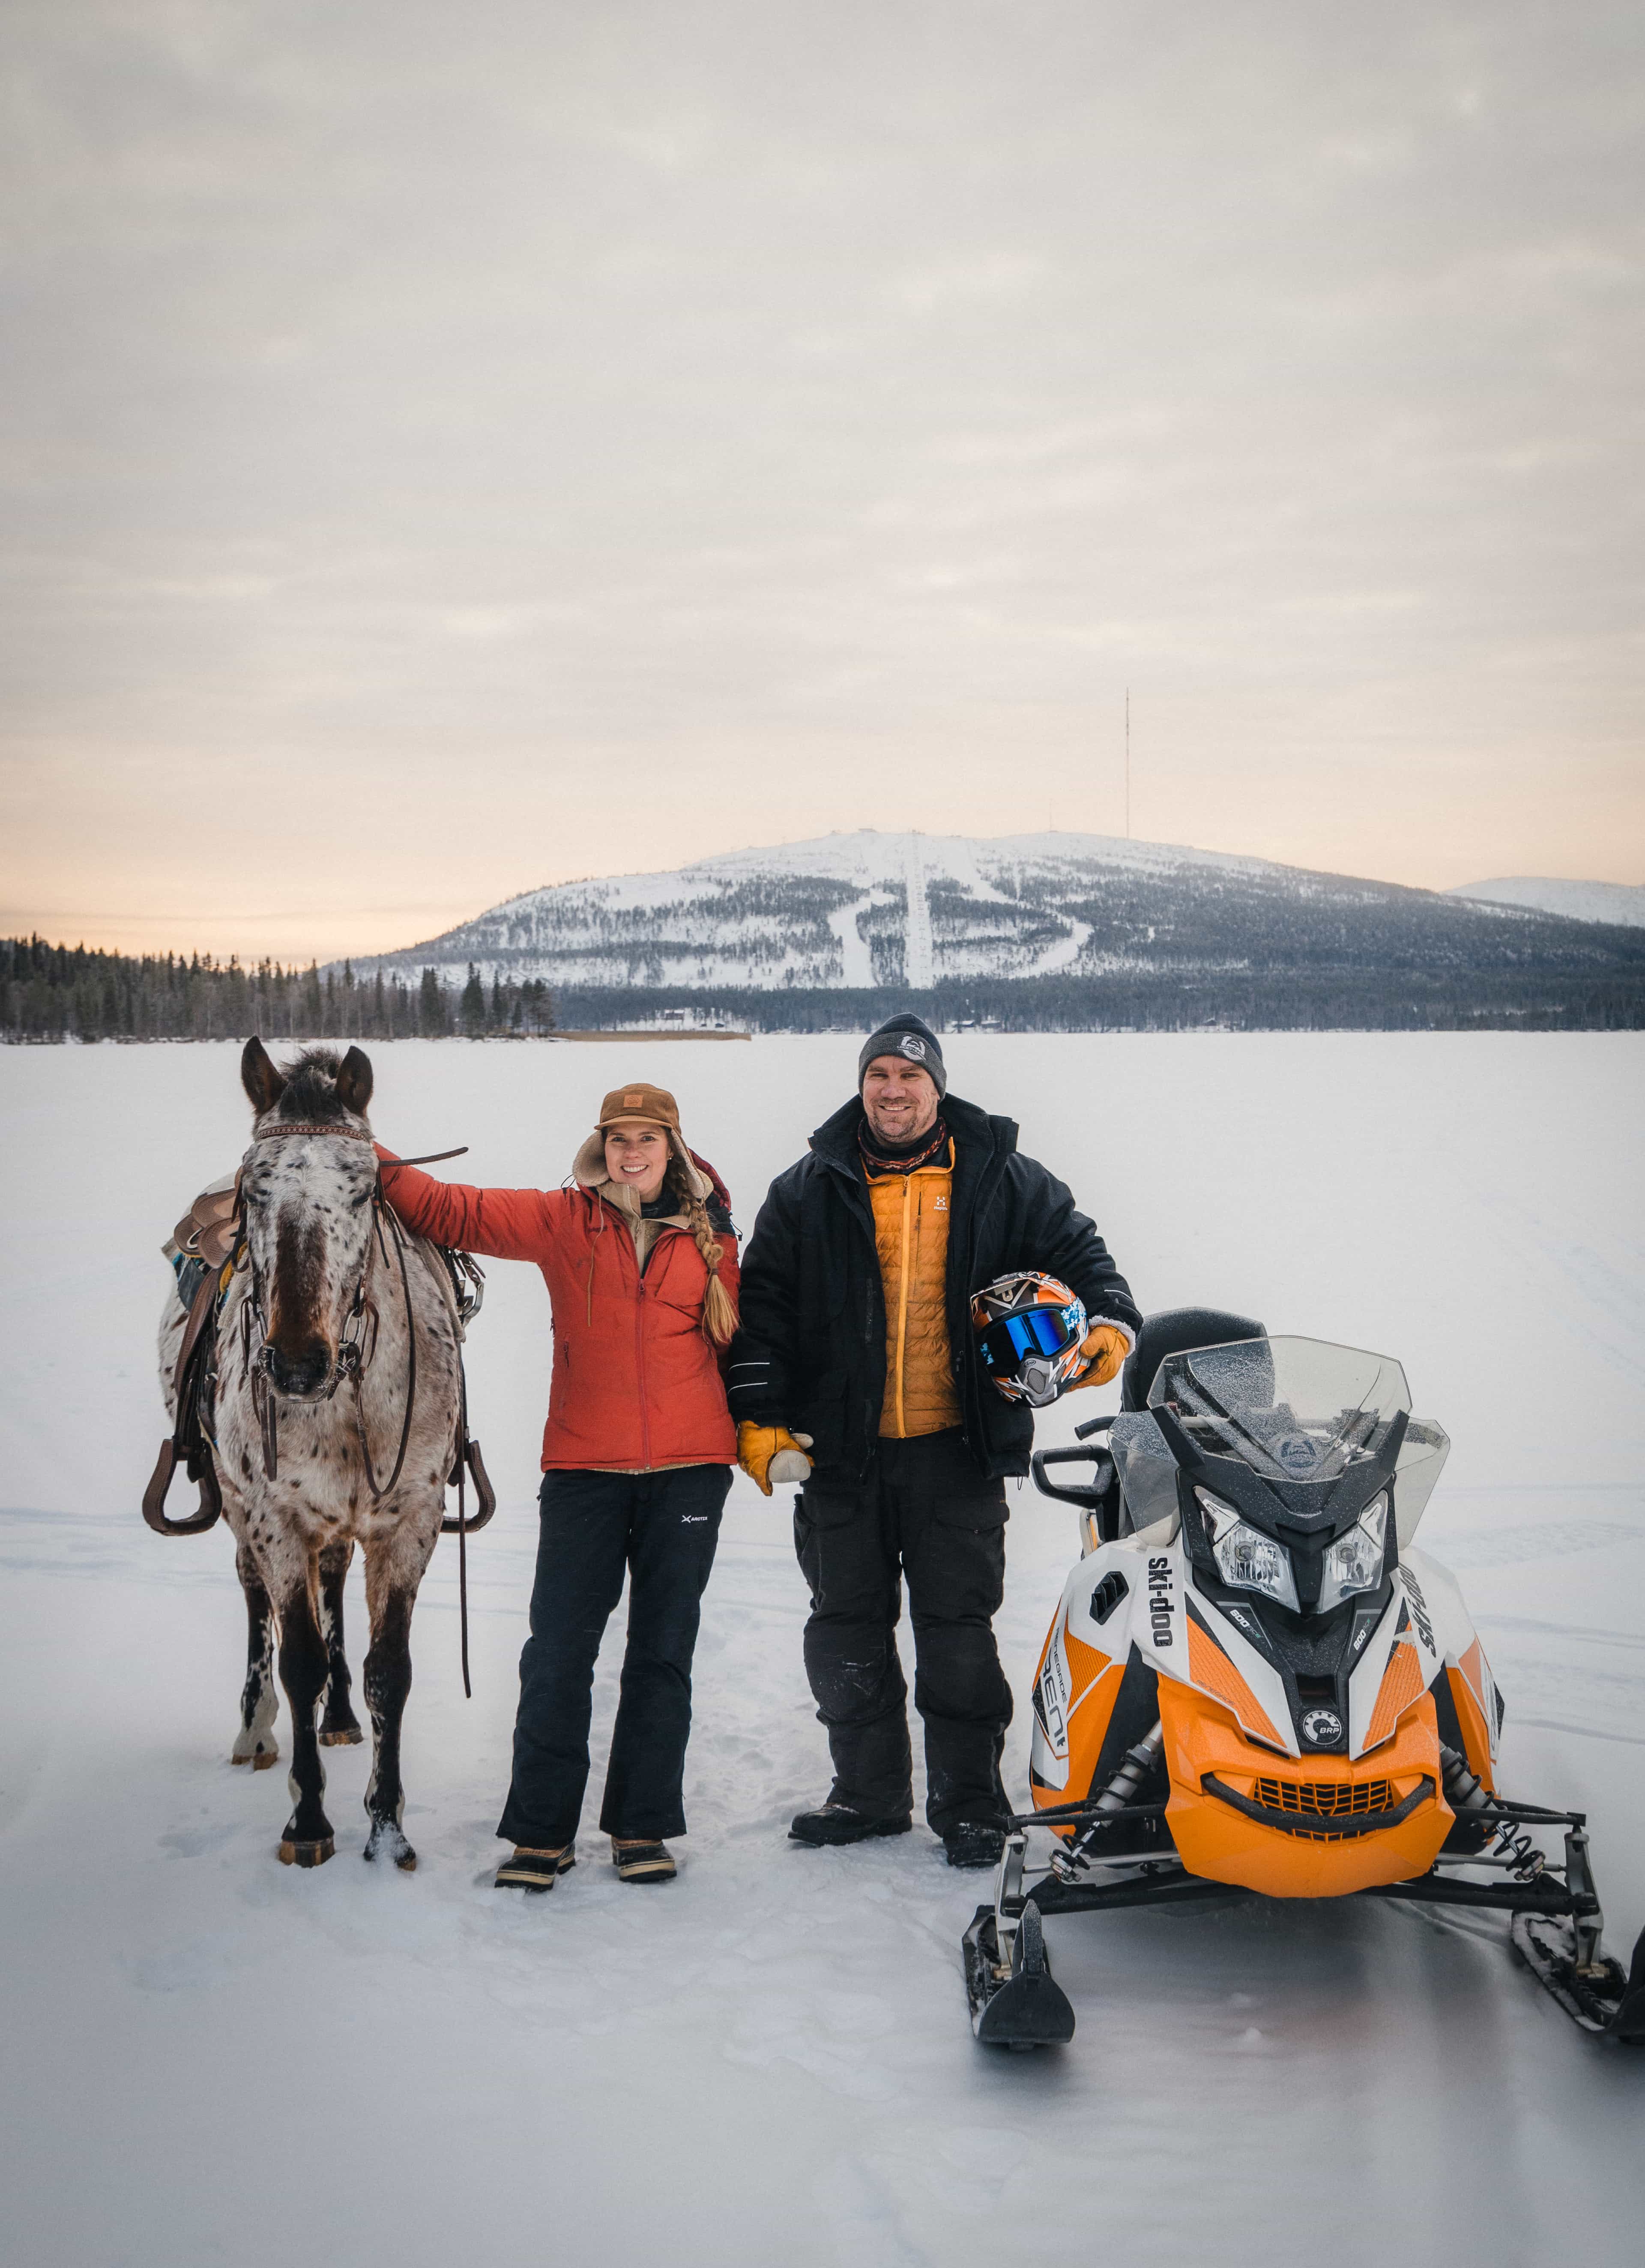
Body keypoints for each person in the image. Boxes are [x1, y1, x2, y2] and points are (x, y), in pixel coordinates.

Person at [728, 1014, 1140, 1869]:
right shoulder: (808, 1187)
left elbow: (1083, 1250)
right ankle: (868, 1794)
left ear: (937, 1088)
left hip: (958, 1447)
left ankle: (969, 1802)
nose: (894, 1090)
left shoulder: (1001, 1178)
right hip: (840, 1452)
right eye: (879, 1074)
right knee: (845, 1628)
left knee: (957, 1631)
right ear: (862, 1085)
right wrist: (760, 1417)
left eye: (910, 1077)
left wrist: (1110, 1326)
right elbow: (764, 1307)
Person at [377, 1081, 739, 1892]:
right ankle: (541, 1833)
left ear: (673, 1148)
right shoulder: (563, 1221)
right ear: (601, 1147)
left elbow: (750, 1344)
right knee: (557, 1656)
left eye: (648, 1138)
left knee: (661, 1655)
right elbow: (454, 1210)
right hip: (584, 1472)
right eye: (618, 1138)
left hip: (691, 1472)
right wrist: (362, 1150)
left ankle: (642, 1827)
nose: (632, 1152)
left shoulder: (716, 1237)